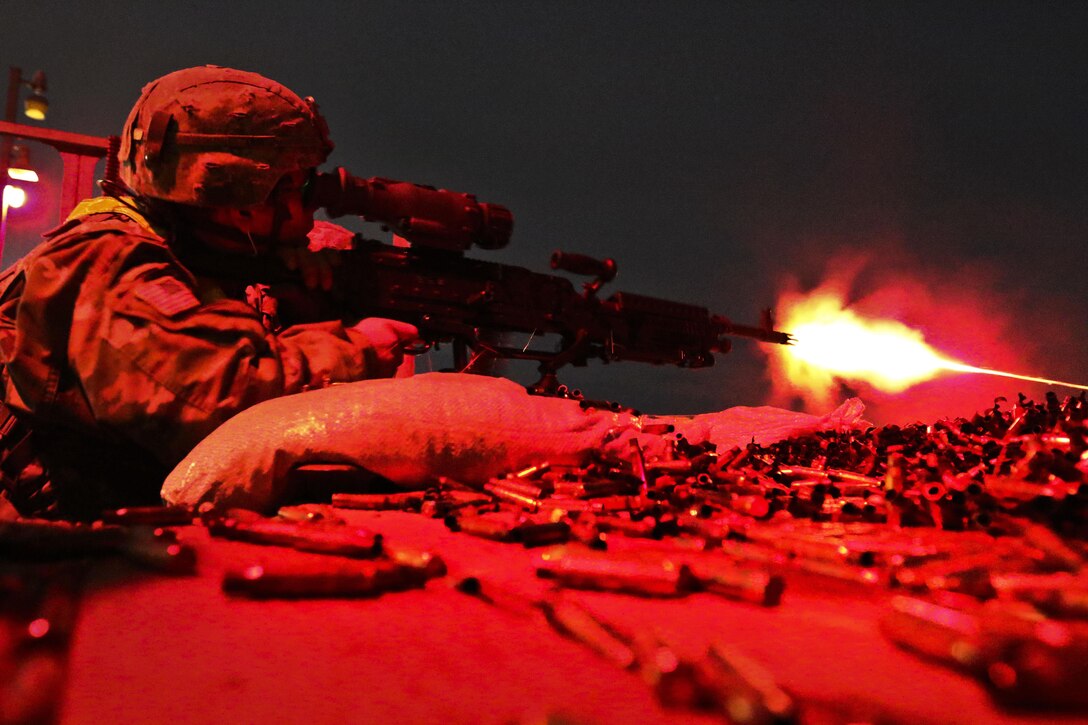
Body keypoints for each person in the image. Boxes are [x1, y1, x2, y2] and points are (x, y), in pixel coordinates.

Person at [0, 65, 419, 519]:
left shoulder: (185, 251)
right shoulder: (105, 260)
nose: (312, 203)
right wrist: (360, 348)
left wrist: (307, 283)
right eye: (299, 185)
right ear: (240, 199)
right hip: (52, 554)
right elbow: (218, 400)